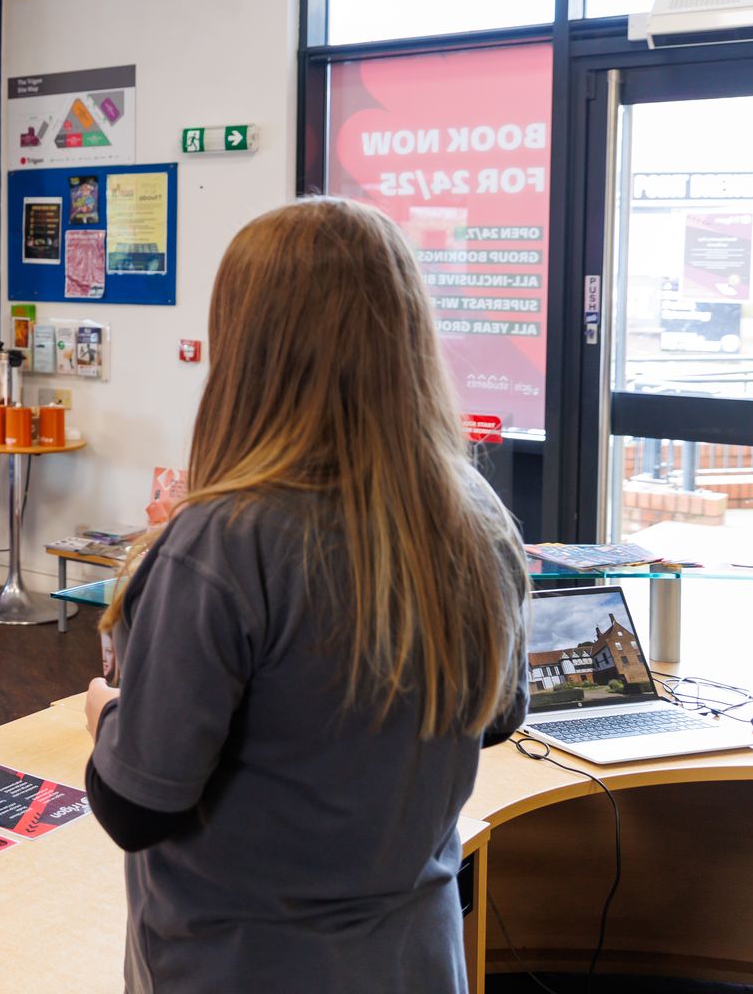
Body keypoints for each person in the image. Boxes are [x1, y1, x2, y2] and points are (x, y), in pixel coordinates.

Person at [83, 198, 529, 992]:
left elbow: (138, 807)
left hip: (243, 965)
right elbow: (496, 718)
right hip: (415, 959)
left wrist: (109, 718)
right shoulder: (475, 514)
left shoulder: (223, 539)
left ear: (248, 345)